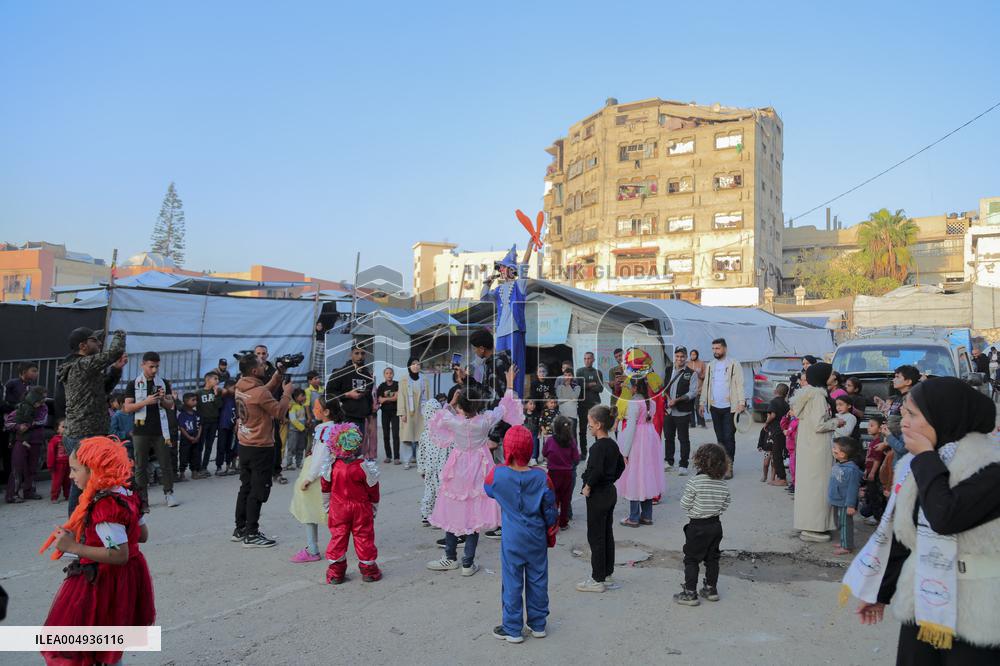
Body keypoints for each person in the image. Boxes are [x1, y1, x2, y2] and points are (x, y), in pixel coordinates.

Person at [846, 377, 1000, 663]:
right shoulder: (915, 464)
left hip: (978, 610)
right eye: (904, 413)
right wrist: (881, 592)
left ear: (944, 416)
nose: (903, 423)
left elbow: (945, 516)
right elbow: (903, 536)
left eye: (913, 415)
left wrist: (927, 457)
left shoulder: (989, 466)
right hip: (922, 602)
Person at [39, 436, 155, 666]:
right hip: (128, 577)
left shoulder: (106, 507)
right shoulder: (126, 492)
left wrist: (73, 547)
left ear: (94, 470)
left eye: (74, 470)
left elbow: (118, 554)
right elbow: (142, 535)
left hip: (104, 581)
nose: (70, 476)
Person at [426, 365, 520, 576]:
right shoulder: (485, 421)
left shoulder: (454, 421)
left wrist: (451, 403)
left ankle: (450, 557)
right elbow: (504, 407)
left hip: (457, 468)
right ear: (477, 404)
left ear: (460, 405)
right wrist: (510, 384)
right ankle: (468, 563)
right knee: (474, 514)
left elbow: (437, 419)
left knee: (452, 508)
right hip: (479, 467)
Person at [485, 425, 558, 644]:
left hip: (512, 538)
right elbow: (550, 510)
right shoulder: (542, 477)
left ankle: (512, 628)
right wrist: (550, 531)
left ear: (507, 448)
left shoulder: (497, 474)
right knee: (538, 579)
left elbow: (488, 490)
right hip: (536, 536)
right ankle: (538, 624)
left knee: (512, 582)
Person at [57, 328, 127, 515]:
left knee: (91, 482)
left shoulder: (85, 367)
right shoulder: (80, 365)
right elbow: (114, 352)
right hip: (83, 434)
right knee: (81, 485)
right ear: (83, 346)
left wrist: (116, 370)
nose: (99, 344)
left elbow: (102, 390)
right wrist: (120, 334)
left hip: (89, 433)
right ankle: (75, 526)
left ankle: (87, 523)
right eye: (94, 341)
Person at [303, 421, 382, 584]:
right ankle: (369, 572)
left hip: (338, 508)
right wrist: (373, 508)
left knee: (338, 538)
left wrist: (327, 507)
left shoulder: (331, 467)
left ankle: (336, 574)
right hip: (361, 508)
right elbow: (373, 490)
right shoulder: (364, 467)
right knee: (364, 537)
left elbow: (325, 489)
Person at [233, 351, 294, 548]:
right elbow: (279, 412)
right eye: (261, 365)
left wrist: (279, 373)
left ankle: (240, 528)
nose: (264, 366)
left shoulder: (241, 385)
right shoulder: (259, 393)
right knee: (258, 491)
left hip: (245, 444)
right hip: (260, 447)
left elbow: (263, 391)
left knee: (246, 487)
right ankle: (251, 533)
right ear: (254, 370)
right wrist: (287, 393)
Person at [674, 443, 731, 606]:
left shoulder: (695, 482)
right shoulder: (722, 484)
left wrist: (695, 509)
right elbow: (725, 504)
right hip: (715, 525)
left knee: (691, 559)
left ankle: (690, 593)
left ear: (699, 461)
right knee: (712, 558)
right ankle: (711, 589)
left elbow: (684, 504)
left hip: (697, 526)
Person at [290, 397, 346, 564]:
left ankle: (313, 549)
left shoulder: (324, 430)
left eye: (316, 407)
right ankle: (338, 546)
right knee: (331, 512)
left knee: (310, 511)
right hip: (329, 473)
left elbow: (321, 456)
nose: (313, 410)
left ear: (326, 412)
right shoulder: (335, 428)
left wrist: (309, 478)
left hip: (317, 475)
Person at [576, 404, 625, 593]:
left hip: (598, 494)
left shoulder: (597, 447)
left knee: (596, 536)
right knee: (606, 534)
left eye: (590, 423)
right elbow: (621, 465)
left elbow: (596, 470)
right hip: (610, 492)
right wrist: (611, 479)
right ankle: (607, 574)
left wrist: (588, 486)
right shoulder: (612, 444)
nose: (588, 426)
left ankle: (597, 579)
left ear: (598, 425)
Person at [615, 348, 666, 528]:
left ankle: (634, 517)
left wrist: (624, 451)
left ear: (634, 387)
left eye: (629, 386)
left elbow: (630, 429)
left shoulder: (633, 403)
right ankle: (647, 516)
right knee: (647, 475)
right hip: (649, 439)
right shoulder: (650, 402)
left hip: (637, 441)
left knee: (634, 477)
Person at [123, 351, 178, 510]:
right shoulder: (133, 384)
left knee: (165, 463)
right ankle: (143, 499)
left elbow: (170, 405)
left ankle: (169, 492)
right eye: (151, 366)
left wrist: (162, 398)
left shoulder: (163, 383)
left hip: (161, 430)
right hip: (141, 430)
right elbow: (127, 407)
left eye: (157, 367)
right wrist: (146, 402)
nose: (154, 370)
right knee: (140, 465)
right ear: (143, 365)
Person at [790, 362, 836, 542]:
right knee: (818, 488)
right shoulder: (818, 396)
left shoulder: (808, 395)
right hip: (818, 448)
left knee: (810, 488)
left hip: (808, 447)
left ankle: (809, 524)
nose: (833, 376)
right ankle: (815, 527)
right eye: (831, 374)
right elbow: (819, 425)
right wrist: (836, 422)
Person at [480, 245, 528, 398]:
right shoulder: (498, 290)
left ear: (511, 269)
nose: (500, 270)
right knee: (499, 365)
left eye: (503, 267)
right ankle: (500, 399)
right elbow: (484, 298)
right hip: (501, 332)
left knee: (515, 366)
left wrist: (529, 246)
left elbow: (524, 266)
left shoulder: (519, 285)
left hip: (514, 330)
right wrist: (487, 283)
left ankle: (516, 399)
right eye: (500, 267)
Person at [699, 338, 745, 474]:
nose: (715, 351)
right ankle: (721, 465)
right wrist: (702, 402)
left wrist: (741, 402)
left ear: (725, 348)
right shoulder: (710, 365)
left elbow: (739, 384)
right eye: (713, 348)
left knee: (729, 437)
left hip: (730, 408)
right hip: (715, 407)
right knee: (720, 438)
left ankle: (729, 466)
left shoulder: (734, 364)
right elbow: (706, 385)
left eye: (718, 348)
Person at [6, 385, 47, 503]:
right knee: (17, 468)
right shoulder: (21, 408)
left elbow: (42, 420)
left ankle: (29, 491)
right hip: (20, 441)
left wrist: (29, 424)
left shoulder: (43, 408)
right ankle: (12, 495)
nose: (43, 400)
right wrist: (18, 426)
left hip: (36, 441)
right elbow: (8, 423)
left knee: (33, 468)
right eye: (42, 397)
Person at [326, 345, 375, 444]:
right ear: (350, 354)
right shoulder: (340, 372)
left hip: (362, 419)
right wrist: (347, 395)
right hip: (345, 418)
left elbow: (369, 398)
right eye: (356, 353)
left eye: (362, 353)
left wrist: (370, 420)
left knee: (358, 448)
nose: (360, 356)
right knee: (347, 448)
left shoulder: (367, 375)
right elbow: (329, 393)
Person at [663, 346, 698, 475]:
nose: (679, 359)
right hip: (668, 411)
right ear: (674, 357)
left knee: (683, 439)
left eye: (682, 356)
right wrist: (666, 397)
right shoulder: (668, 370)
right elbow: (663, 387)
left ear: (686, 357)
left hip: (682, 411)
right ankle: (669, 461)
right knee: (668, 437)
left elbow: (693, 392)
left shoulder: (691, 373)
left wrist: (676, 400)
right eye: (677, 356)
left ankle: (683, 465)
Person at [543, 415, 579, 530]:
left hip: (553, 473)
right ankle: (563, 522)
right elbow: (576, 458)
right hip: (567, 473)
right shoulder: (571, 441)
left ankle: (553, 522)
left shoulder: (550, 440)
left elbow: (544, 453)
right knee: (565, 499)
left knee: (554, 498)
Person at [827, 436, 862, 556]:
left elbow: (853, 489)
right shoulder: (839, 465)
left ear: (842, 454)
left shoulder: (851, 470)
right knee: (840, 523)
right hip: (838, 500)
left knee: (845, 524)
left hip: (845, 503)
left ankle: (847, 546)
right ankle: (844, 541)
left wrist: (851, 505)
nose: (833, 450)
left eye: (835, 449)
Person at [416, 398, 447, 525]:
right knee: (440, 491)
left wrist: (421, 469)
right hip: (441, 467)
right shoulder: (444, 433)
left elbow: (421, 453)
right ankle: (439, 515)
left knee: (429, 490)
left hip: (430, 468)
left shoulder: (424, 434)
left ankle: (426, 513)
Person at [399, 357, 430, 470]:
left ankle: (420, 460)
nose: (416, 366)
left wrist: (428, 412)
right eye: (413, 364)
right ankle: (406, 461)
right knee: (407, 438)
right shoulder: (403, 380)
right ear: (409, 366)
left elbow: (428, 396)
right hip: (408, 411)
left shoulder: (424, 379)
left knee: (420, 438)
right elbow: (401, 397)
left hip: (421, 412)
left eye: (418, 364)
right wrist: (402, 412)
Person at [575, 351, 605, 459]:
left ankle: (599, 451)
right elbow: (578, 386)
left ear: (593, 360)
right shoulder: (579, 371)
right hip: (583, 405)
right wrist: (591, 384)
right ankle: (583, 452)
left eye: (589, 358)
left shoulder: (598, 372)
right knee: (582, 430)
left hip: (595, 405)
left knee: (598, 428)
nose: (587, 360)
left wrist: (586, 385)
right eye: (585, 358)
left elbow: (600, 388)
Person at [196, 371, 225, 475]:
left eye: (218, 379)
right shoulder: (199, 393)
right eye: (215, 379)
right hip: (203, 422)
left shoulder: (217, 392)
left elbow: (219, 405)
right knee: (200, 446)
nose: (218, 381)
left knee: (209, 446)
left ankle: (205, 466)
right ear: (207, 380)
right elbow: (196, 407)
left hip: (214, 422)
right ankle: (198, 467)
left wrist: (217, 395)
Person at [860, 414, 887, 523]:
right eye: (868, 425)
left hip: (875, 473)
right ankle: (872, 514)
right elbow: (869, 458)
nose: (868, 428)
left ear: (880, 429)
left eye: (872, 425)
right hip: (870, 471)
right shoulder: (873, 441)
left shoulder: (879, 442)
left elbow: (877, 459)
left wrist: (872, 472)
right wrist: (866, 470)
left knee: (875, 495)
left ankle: (877, 517)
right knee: (870, 495)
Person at [761, 383, 790, 486]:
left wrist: (766, 423)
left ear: (775, 391)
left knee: (776, 456)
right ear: (786, 394)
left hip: (775, 432)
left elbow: (772, 415)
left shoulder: (773, 402)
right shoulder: (786, 404)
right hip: (783, 431)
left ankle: (782, 478)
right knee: (779, 454)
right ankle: (779, 477)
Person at [376, 367, 400, 464]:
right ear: (384, 375)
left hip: (395, 412)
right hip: (385, 413)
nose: (389, 375)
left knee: (395, 435)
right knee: (386, 435)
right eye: (387, 373)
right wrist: (390, 398)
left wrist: (385, 399)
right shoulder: (381, 386)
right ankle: (388, 456)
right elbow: (379, 400)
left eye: (390, 373)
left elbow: (396, 398)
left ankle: (396, 457)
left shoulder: (397, 384)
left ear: (393, 374)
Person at [177, 392, 202, 483]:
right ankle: (182, 473)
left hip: (196, 437)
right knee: (184, 456)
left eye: (196, 400)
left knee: (195, 455)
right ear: (186, 402)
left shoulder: (196, 413)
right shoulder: (182, 415)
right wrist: (189, 437)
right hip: (186, 439)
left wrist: (198, 436)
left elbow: (200, 425)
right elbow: (181, 427)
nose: (195, 402)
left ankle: (194, 472)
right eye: (193, 400)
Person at [217, 379, 238, 475]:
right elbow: (218, 391)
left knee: (230, 447)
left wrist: (236, 423)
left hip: (232, 426)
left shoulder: (235, 398)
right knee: (221, 446)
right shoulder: (223, 397)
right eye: (234, 388)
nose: (235, 390)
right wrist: (223, 392)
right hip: (223, 425)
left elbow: (237, 411)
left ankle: (228, 466)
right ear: (227, 388)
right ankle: (219, 467)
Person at [47, 419, 71, 503]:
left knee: (68, 481)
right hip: (58, 464)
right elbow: (51, 453)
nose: (66, 429)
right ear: (57, 429)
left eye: (67, 427)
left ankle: (68, 495)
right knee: (57, 481)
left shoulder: (69, 439)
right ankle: (54, 497)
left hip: (68, 463)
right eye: (63, 427)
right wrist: (50, 465)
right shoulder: (54, 440)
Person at [284, 388, 309, 469]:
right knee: (292, 447)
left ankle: (299, 462)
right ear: (296, 397)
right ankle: (289, 463)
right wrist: (302, 427)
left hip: (302, 431)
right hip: (294, 431)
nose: (304, 397)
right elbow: (293, 420)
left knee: (301, 447)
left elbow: (303, 418)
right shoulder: (292, 407)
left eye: (304, 395)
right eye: (302, 396)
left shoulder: (302, 406)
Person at [554, 366, 580, 437]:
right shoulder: (559, 387)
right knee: (562, 435)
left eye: (569, 375)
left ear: (572, 376)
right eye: (565, 375)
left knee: (573, 436)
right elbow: (559, 400)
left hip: (572, 415)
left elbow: (574, 397)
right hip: (562, 414)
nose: (567, 377)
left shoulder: (577, 387)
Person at [687, 349, 707, 428]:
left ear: (697, 355)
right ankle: (692, 424)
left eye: (694, 354)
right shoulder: (688, 364)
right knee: (690, 407)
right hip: (689, 390)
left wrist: (698, 374)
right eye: (691, 354)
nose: (693, 356)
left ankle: (701, 423)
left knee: (698, 406)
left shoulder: (701, 363)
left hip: (699, 389)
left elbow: (705, 376)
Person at [522, 399, 541, 464]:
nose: (533, 405)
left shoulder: (537, 414)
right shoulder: (522, 414)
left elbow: (539, 424)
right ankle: (525, 458)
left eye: (534, 404)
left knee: (535, 445)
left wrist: (539, 432)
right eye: (530, 404)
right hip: (525, 433)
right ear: (525, 405)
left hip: (534, 433)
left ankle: (534, 458)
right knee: (525, 446)